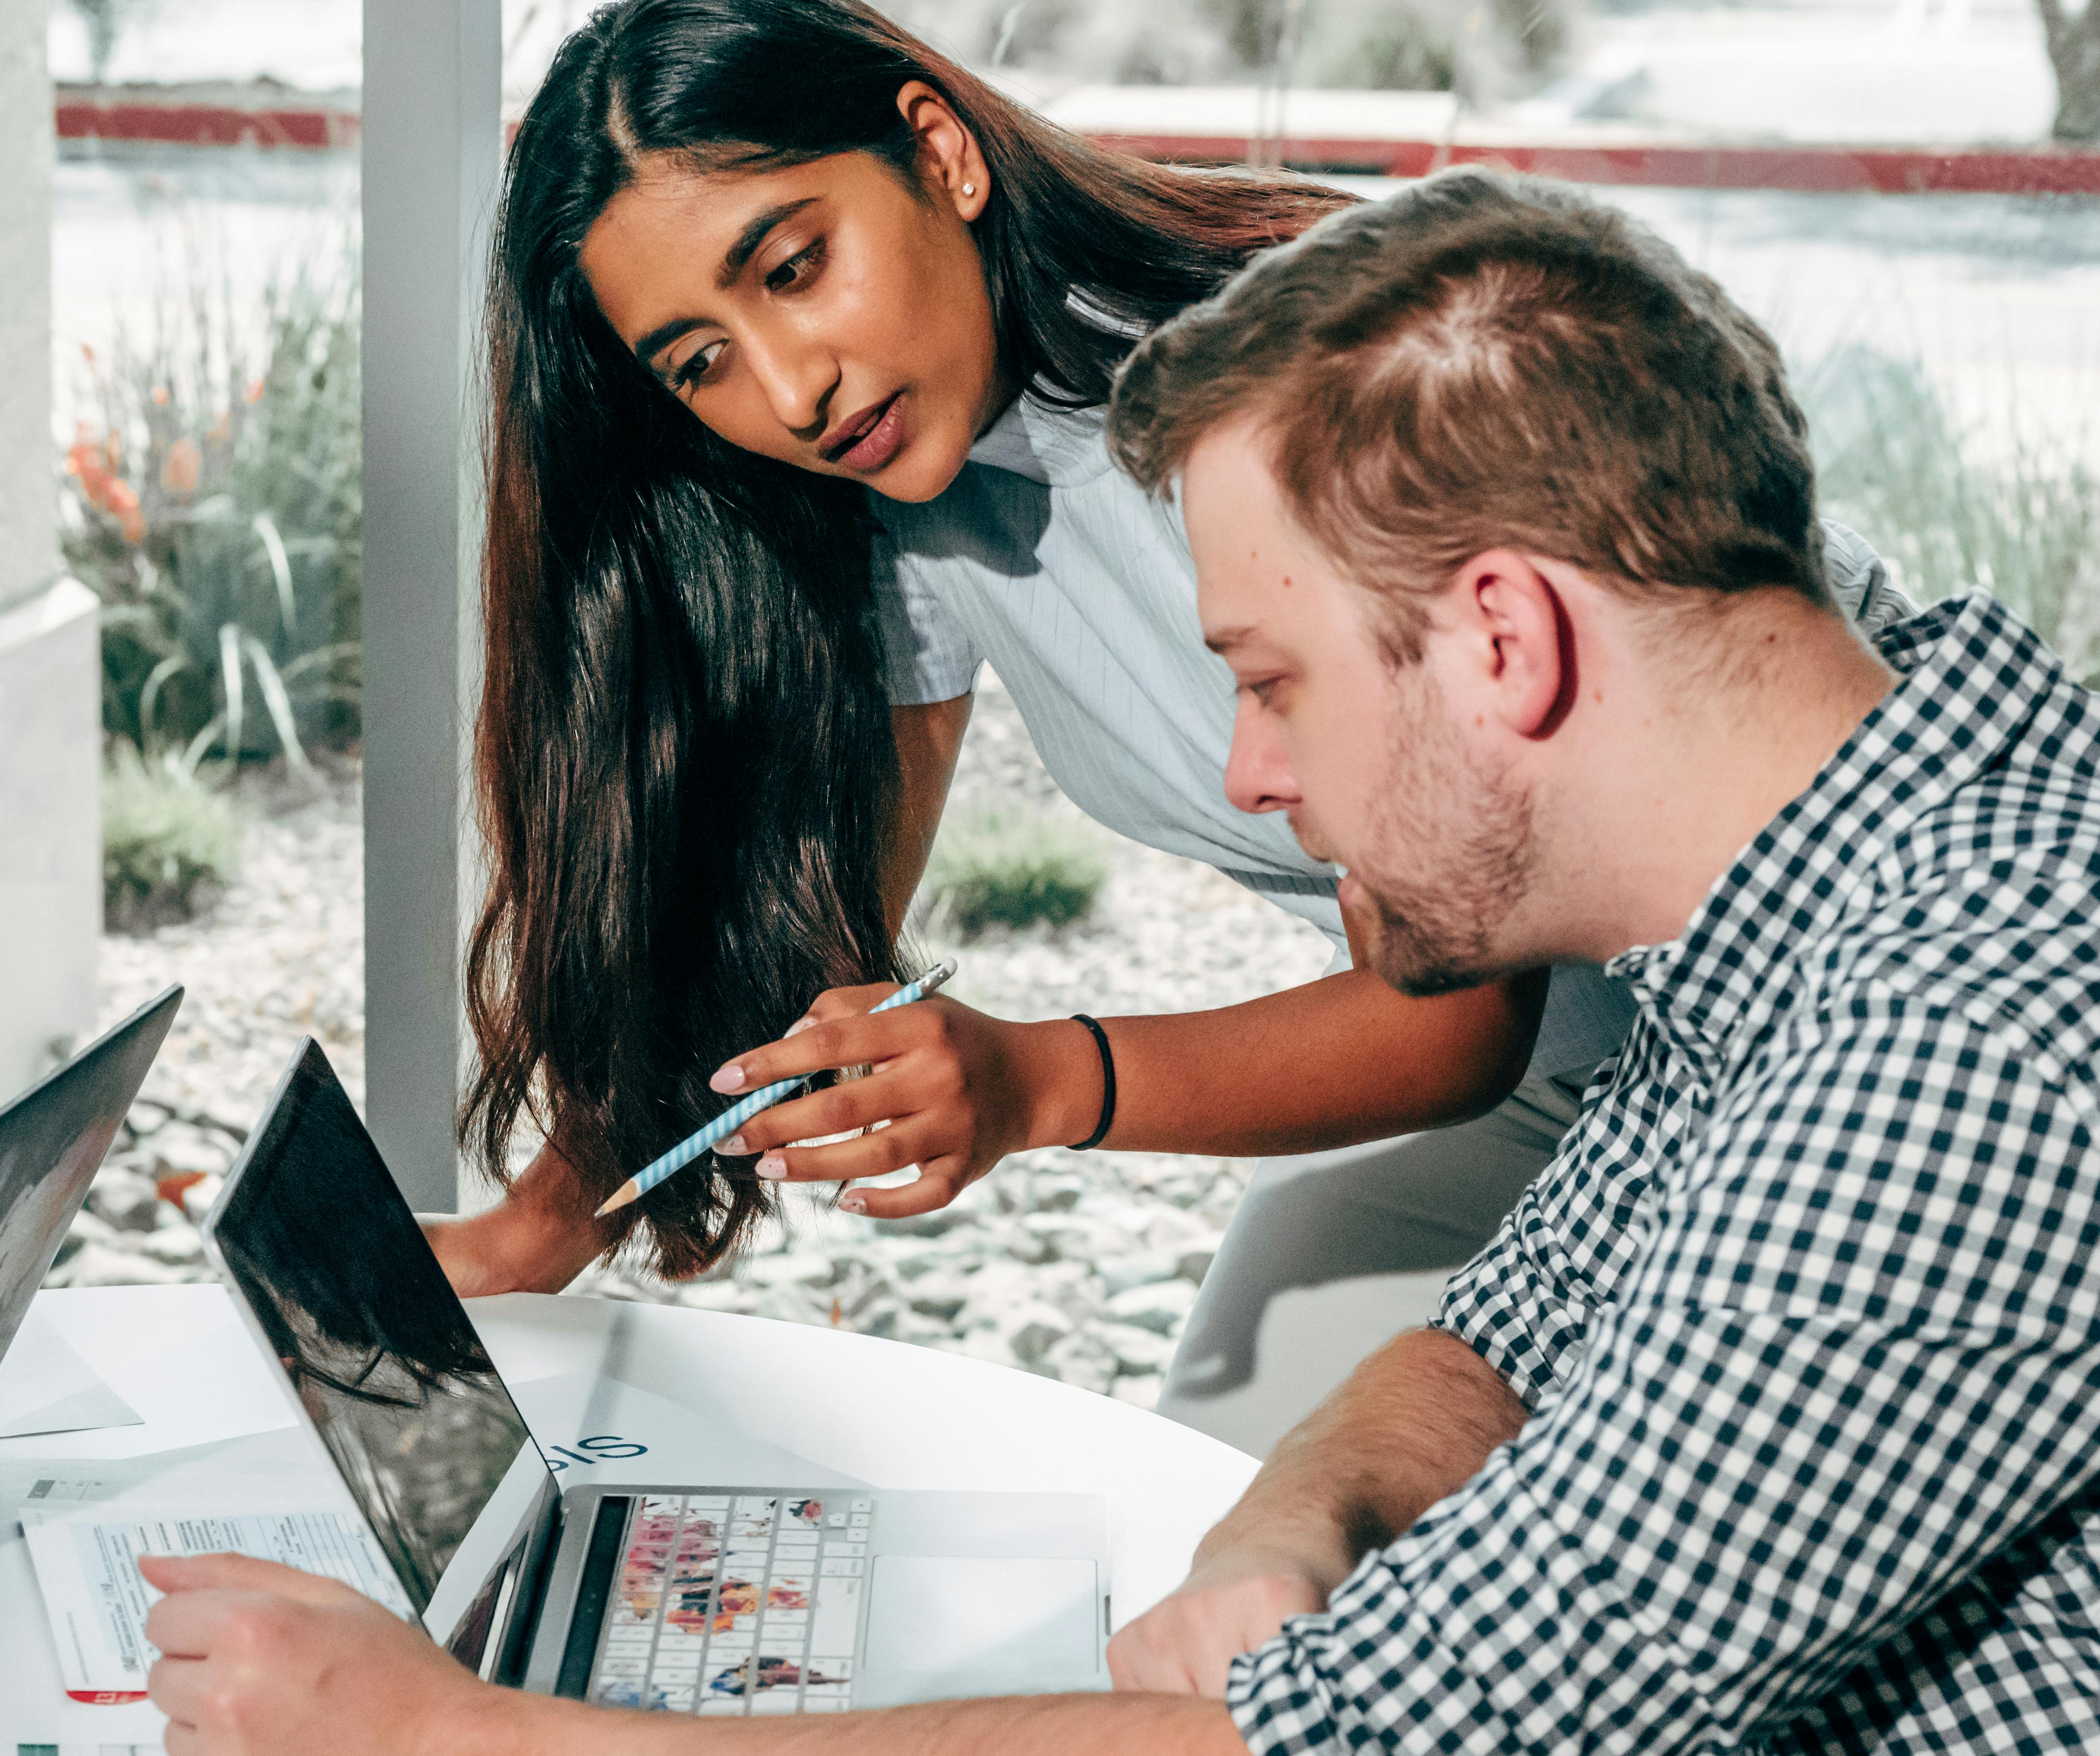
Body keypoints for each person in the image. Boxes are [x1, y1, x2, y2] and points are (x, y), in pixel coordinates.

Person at [134, 170, 2100, 1756]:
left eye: (1267, 680)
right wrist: (1289, 1523)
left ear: (1503, 635)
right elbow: (1519, 1316)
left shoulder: (1951, 1057)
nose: (1242, 783)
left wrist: (465, 1747)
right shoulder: (1800, 908)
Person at [425, 0, 1902, 1449]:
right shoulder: (904, 486)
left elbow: (1446, 1010)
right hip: (1588, 1085)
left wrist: (1034, 1079)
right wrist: (536, 1224)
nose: (790, 387)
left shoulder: (1293, 380)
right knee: (1219, 1511)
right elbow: (806, 936)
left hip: (1843, 1020)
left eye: (796, 267)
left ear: (938, 152)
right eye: (699, 363)